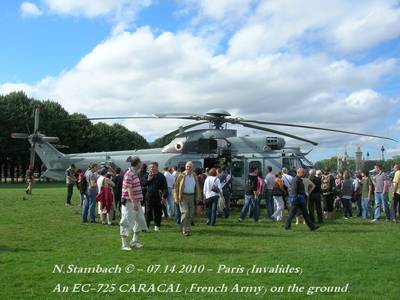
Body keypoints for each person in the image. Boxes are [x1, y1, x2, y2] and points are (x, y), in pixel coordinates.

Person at [120, 156, 148, 251]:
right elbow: (129, 188)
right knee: (127, 221)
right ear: (137, 163)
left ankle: (135, 241)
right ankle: (124, 244)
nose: (141, 164)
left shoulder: (134, 173)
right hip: (129, 202)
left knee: (139, 220)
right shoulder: (129, 174)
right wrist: (133, 202)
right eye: (140, 162)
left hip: (136, 201)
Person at [174, 161, 201, 236]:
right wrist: (176, 198)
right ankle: (184, 229)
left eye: (190, 167)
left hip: (192, 196)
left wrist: (198, 197)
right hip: (183, 196)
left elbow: (197, 187)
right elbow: (176, 187)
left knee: (191, 214)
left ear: (193, 168)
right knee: (185, 212)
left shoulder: (194, 175)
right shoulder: (181, 175)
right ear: (185, 167)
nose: (188, 168)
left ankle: (186, 227)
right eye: (187, 167)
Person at [142, 162, 168, 231]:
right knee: (148, 212)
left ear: (157, 167)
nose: (151, 168)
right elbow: (143, 184)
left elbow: (165, 187)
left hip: (158, 196)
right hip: (149, 196)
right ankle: (146, 226)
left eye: (153, 167)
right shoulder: (146, 175)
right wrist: (148, 179)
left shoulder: (161, 176)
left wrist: (164, 196)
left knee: (158, 212)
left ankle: (157, 225)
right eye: (150, 167)